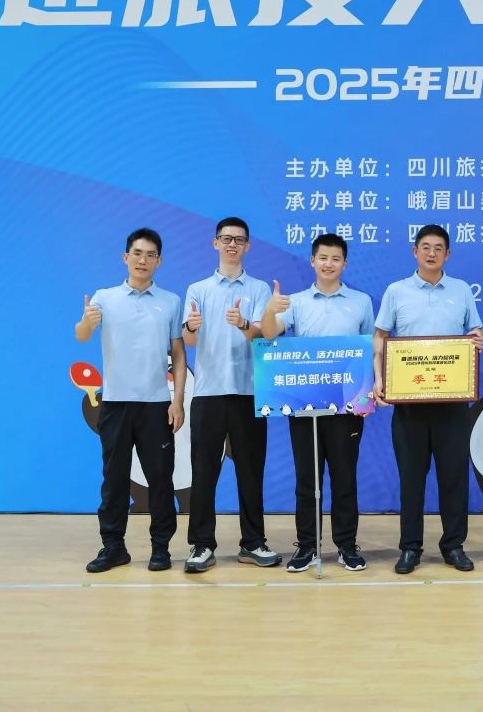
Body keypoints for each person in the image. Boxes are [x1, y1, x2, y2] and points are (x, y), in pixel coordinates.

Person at [373, 224, 483, 574]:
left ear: (447, 254)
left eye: (438, 248)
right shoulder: (396, 291)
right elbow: (380, 337)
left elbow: (476, 330)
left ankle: (453, 546)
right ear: (415, 251)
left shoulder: (461, 290)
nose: (431, 253)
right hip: (409, 404)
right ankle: (410, 548)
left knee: (454, 477)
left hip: (452, 402)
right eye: (425, 247)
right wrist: (379, 379)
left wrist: (476, 339)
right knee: (411, 478)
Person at [261, 233, 375, 572]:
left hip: (347, 405)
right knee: (307, 479)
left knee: (344, 477)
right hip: (305, 405)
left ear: (344, 264)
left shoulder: (361, 301)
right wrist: (270, 310)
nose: (328, 264)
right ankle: (308, 546)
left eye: (335, 259)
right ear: (312, 261)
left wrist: (371, 387)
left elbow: (371, 349)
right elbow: (268, 333)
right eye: (322, 258)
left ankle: (346, 545)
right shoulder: (295, 302)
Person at [76, 228, 185, 573]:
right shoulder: (105, 298)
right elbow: (81, 336)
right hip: (116, 404)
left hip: (156, 405)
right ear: (126, 257)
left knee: (160, 479)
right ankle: (113, 547)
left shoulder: (170, 301)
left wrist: (177, 401)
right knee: (114, 479)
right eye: (137, 253)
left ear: (159, 261)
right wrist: (86, 321)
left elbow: (178, 354)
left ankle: (161, 548)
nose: (143, 260)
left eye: (150, 255)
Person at [181, 217, 279, 573]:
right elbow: (189, 339)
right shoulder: (198, 289)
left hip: (248, 392)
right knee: (204, 472)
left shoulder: (259, 289)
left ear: (248, 246)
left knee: (251, 472)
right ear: (215, 243)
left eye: (239, 240)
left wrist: (243, 324)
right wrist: (192, 327)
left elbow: (263, 334)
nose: (232, 244)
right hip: (208, 392)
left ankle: (252, 542)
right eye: (226, 239)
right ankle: (201, 545)